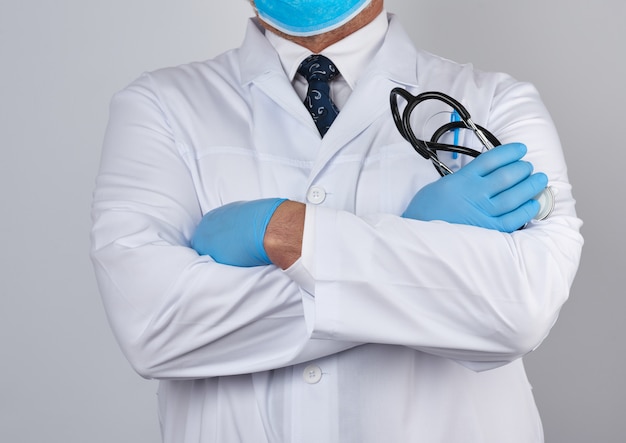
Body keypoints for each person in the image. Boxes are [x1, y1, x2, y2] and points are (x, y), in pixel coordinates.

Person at [90, 1, 583, 441]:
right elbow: (155, 327)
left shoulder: (497, 102)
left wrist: (281, 229)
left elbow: (517, 309)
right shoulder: (160, 107)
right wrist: (418, 250)